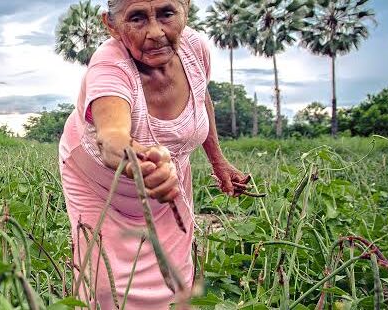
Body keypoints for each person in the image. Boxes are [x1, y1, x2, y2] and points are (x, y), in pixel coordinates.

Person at [58, 0, 251, 308]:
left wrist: (218, 161)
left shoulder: (195, 49)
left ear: (185, 7)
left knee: (175, 279)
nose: (156, 32)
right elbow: (112, 138)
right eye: (137, 18)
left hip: (167, 181)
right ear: (111, 24)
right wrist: (144, 163)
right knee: (105, 290)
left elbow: (200, 100)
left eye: (166, 13)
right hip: (98, 183)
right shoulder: (109, 66)